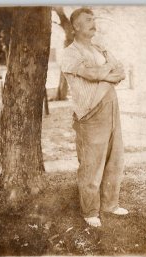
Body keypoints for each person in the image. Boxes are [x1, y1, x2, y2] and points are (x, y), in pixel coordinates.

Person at [61, 7, 128, 227]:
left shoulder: (100, 48)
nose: (93, 22)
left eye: (93, 19)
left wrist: (106, 73)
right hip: (89, 112)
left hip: (111, 107)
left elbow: (121, 71)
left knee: (114, 158)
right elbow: (92, 74)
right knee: (91, 163)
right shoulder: (71, 52)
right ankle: (90, 211)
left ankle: (110, 204)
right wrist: (108, 73)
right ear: (76, 26)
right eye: (87, 20)